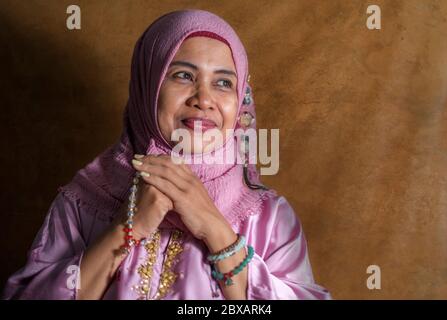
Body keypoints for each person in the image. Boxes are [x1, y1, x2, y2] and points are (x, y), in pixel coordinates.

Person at [3, 9, 332, 300]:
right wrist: (127, 228)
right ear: (148, 86)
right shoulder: (84, 200)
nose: (203, 99)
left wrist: (216, 230)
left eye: (223, 83)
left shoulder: (270, 218)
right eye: (183, 76)